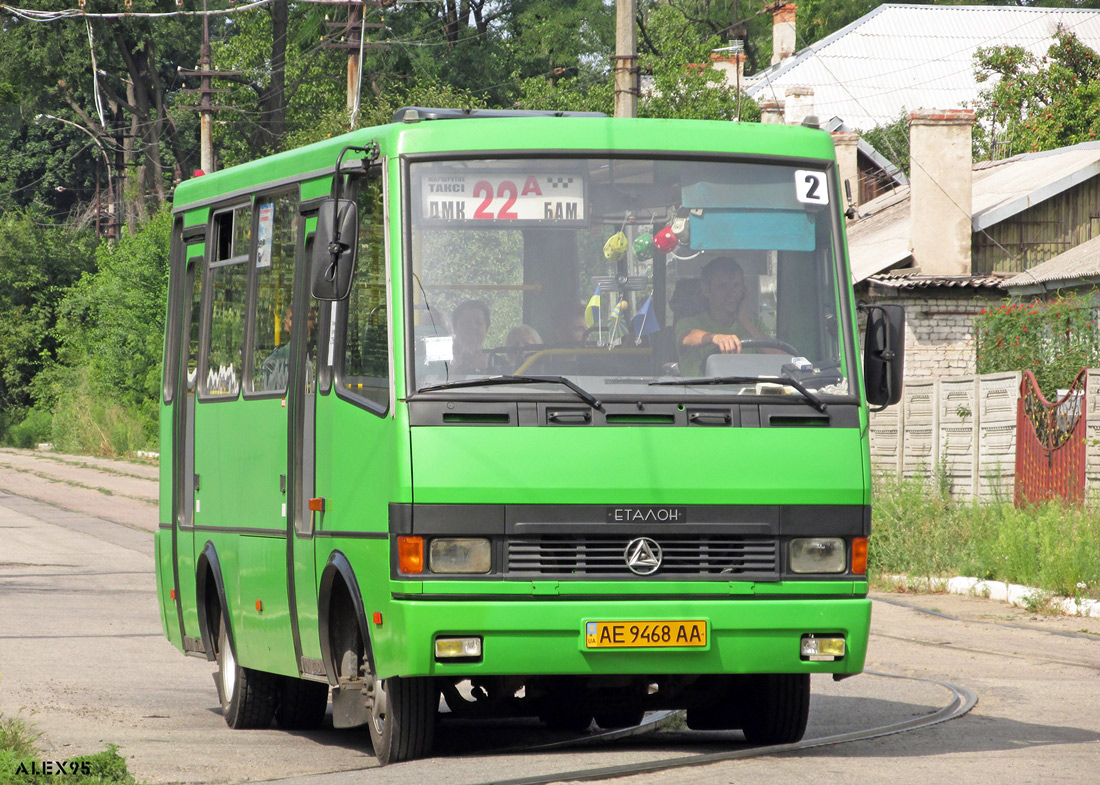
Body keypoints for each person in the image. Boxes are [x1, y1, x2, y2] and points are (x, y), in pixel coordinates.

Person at [675, 257, 767, 377]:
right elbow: (686, 338)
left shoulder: (754, 327)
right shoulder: (689, 324)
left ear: (744, 290)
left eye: (736, 285)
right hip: (700, 395)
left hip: (746, 395)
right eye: (722, 286)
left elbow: (783, 361)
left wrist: (745, 321)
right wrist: (715, 338)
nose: (732, 292)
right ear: (706, 290)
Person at [451, 299, 491, 374]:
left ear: (487, 328)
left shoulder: (498, 365)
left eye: (478, 323)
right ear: (455, 327)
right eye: (466, 322)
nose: (473, 326)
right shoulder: (443, 364)